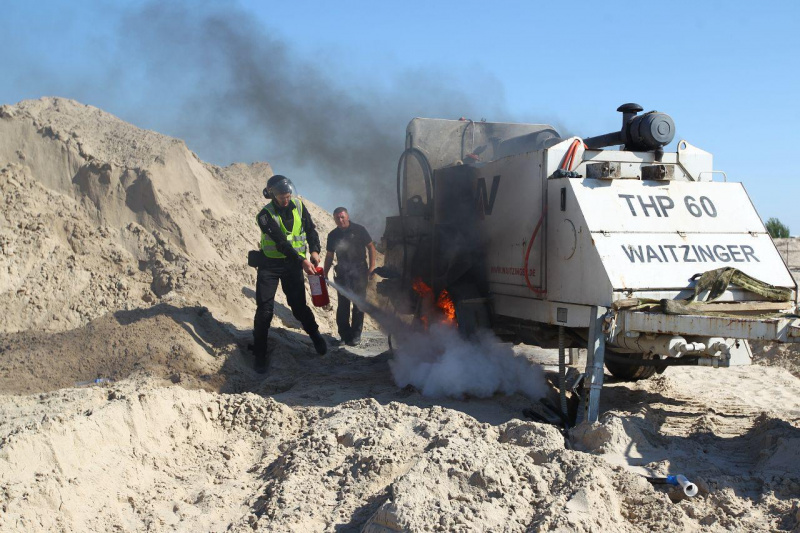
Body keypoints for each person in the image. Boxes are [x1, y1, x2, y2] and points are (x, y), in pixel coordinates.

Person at [252, 174, 327, 373]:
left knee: (299, 307)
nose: (286, 199)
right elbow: (281, 243)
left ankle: (316, 336)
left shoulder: (299, 207)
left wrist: (314, 251)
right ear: (271, 195)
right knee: (264, 310)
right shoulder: (264, 215)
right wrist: (302, 260)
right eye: (282, 196)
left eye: (288, 195)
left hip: (292, 267)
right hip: (270, 266)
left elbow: (311, 230)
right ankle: (259, 354)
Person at [323, 207, 376, 346]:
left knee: (358, 305)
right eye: (337, 218)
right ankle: (344, 336)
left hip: (359, 271)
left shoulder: (360, 230)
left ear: (347, 216)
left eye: (342, 217)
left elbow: (371, 247)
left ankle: (356, 335)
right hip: (342, 273)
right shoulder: (333, 235)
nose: (340, 220)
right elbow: (329, 255)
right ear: (334, 219)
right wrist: (324, 272)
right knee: (343, 306)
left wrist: (371, 267)